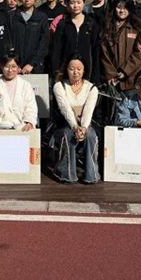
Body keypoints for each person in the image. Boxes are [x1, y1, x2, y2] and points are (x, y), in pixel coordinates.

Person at [52, 54, 100, 184]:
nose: (75, 72)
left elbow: (88, 111)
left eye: (79, 69)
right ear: (66, 69)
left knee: (90, 135)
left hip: (85, 124)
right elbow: (65, 109)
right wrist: (75, 127)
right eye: (72, 69)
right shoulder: (59, 86)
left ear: (84, 70)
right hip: (64, 125)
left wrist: (83, 128)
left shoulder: (91, 88)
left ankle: (91, 175)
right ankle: (66, 175)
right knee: (68, 135)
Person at [51, 0, 101, 84]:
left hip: (86, 71)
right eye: (72, 3)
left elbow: (96, 51)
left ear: (84, 3)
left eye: (79, 2)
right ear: (67, 4)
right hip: (66, 71)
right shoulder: (63, 24)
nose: (76, 6)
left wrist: (95, 76)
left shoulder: (91, 23)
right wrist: (56, 72)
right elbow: (56, 50)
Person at [101, 0, 141, 92]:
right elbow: (103, 52)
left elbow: (140, 53)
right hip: (112, 80)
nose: (122, 11)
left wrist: (125, 71)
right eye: (119, 7)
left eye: (125, 7)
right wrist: (111, 74)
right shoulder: (107, 27)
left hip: (132, 80)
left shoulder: (136, 27)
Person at [0, 52, 38, 130]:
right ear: (2, 67)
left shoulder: (25, 85)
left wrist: (29, 122)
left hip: (21, 127)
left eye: (13, 67)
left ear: (18, 67)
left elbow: (31, 108)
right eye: (6, 66)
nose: (10, 70)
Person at [5, 0, 49, 74]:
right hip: (14, 67)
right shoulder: (11, 16)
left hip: (35, 67)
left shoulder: (42, 17)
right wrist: (15, 63)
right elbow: (7, 41)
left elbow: (43, 43)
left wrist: (31, 64)